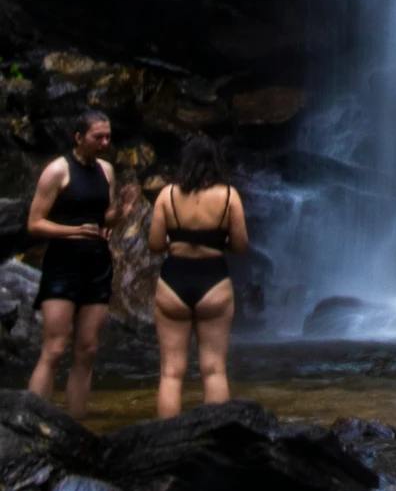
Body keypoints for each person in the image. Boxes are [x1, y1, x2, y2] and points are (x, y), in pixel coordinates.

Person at [27, 106, 139, 420]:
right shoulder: (57, 171)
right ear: (79, 138)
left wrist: (123, 211)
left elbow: (103, 219)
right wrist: (73, 231)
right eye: (98, 137)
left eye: (108, 137)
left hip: (97, 266)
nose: (105, 143)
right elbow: (34, 224)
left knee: (86, 351)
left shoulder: (106, 170)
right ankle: (31, 423)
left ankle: (74, 424)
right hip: (62, 267)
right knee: (55, 348)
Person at [147, 135, 250, 416]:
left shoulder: (167, 195)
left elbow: (155, 244)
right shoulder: (229, 196)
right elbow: (241, 246)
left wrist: (177, 240)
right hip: (214, 281)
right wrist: (218, 241)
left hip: (173, 281)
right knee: (214, 369)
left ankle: (166, 440)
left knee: (171, 371)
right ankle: (217, 440)